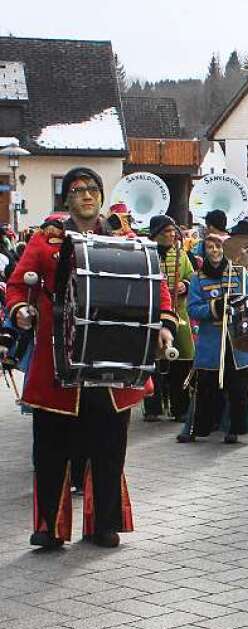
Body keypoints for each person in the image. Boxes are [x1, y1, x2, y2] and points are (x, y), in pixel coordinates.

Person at [6, 167, 177, 549]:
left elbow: (156, 284)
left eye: (92, 189)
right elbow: (19, 284)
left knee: (108, 448)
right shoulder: (44, 241)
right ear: (67, 199)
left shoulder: (125, 239)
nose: (86, 195)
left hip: (111, 358)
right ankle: (49, 527)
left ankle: (104, 524)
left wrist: (163, 324)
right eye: (78, 190)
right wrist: (21, 310)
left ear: (101, 197)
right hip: (58, 358)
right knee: (50, 448)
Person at [179, 232, 248, 444]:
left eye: (218, 246)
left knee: (238, 387)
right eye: (210, 247)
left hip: (238, 341)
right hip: (211, 341)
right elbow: (193, 309)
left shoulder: (240, 273)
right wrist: (215, 308)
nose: (215, 251)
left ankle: (235, 428)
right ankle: (199, 427)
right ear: (204, 251)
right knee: (206, 386)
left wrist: (238, 307)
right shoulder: (197, 278)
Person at [143, 215, 195, 423]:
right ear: (155, 235)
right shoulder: (146, 254)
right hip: (152, 314)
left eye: (173, 231)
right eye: (166, 232)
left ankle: (180, 407)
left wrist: (185, 284)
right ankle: (153, 407)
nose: (172, 235)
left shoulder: (182, 255)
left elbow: (192, 276)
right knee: (153, 361)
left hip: (179, 313)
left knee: (182, 360)